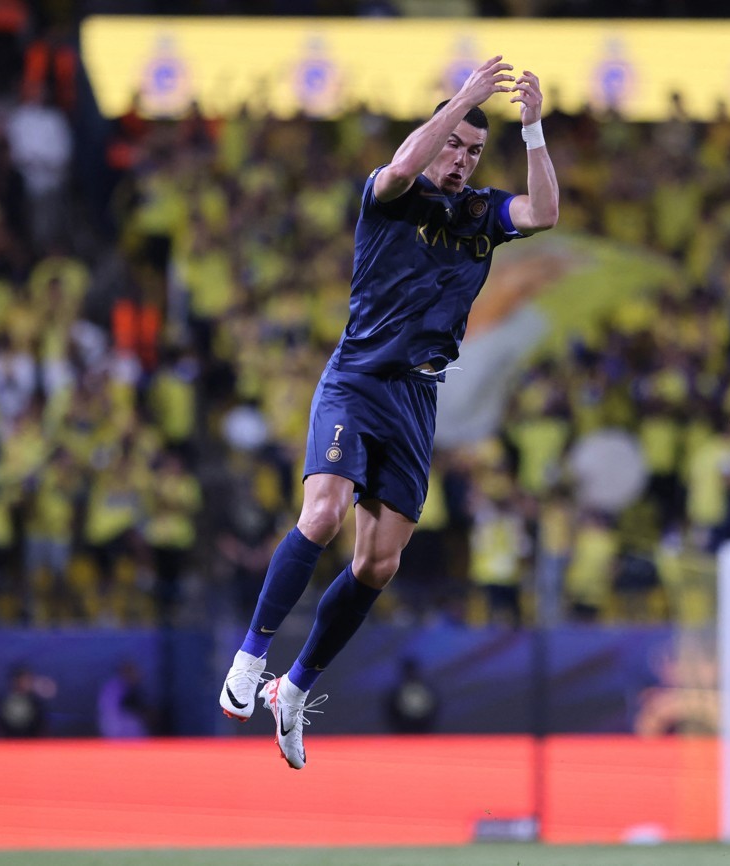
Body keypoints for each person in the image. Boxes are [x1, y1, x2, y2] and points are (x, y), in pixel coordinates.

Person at [218, 55, 559, 769]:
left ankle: (293, 688)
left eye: (472, 150)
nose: (462, 161)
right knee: (323, 514)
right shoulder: (389, 195)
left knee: (378, 564)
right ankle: (250, 657)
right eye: (454, 145)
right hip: (357, 380)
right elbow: (404, 165)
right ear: (434, 138)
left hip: (416, 396)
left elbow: (544, 213)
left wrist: (531, 133)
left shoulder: (479, 215)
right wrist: (464, 97)